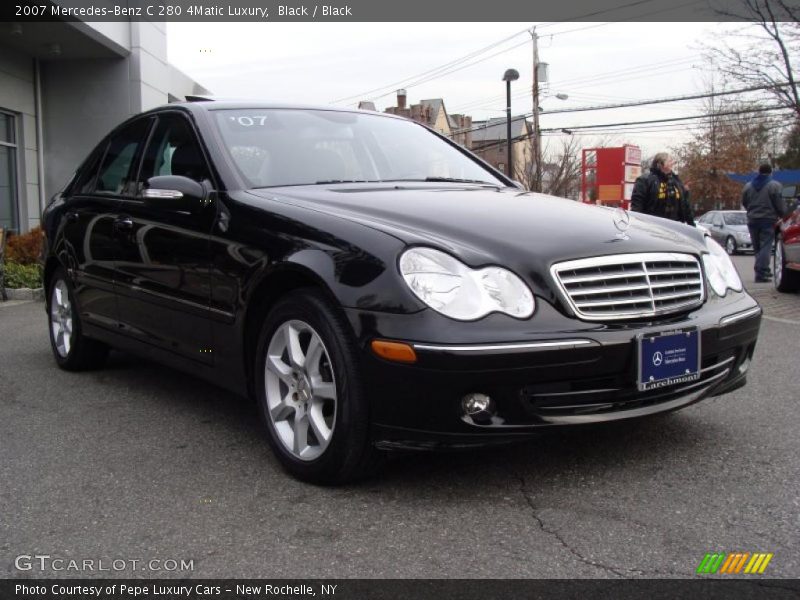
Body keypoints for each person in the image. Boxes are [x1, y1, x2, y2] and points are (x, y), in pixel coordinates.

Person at [741, 163, 786, 283]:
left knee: (757, 248)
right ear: (770, 172)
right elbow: (779, 204)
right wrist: (783, 215)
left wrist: (751, 210)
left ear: (758, 172)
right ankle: (761, 273)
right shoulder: (775, 186)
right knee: (765, 247)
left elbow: (744, 202)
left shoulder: (748, 186)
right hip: (768, 220)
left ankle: (762, 271)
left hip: (752, 220)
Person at [631, 152, 695, 226]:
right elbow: (637, 206)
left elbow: (685, 206)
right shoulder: (645, 180)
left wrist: (692, 225)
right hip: (652, 226)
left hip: (675, 226)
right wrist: (637, 225)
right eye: (669, 160)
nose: (673, 163)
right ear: (660, 164)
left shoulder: (676, 182)